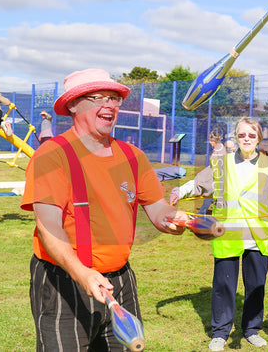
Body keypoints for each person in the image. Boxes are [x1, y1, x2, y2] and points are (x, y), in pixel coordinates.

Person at [21, 68, 188, 351]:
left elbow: (157, 208)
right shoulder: (52, 155)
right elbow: (49, 226)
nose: (109, 104)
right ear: (73, 105)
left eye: (114, 98)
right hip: (65, 280)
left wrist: (173, 218)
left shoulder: (132, 156)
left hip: (120, 281)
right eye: (97, 97)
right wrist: (82, 273)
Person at [171, 117, 268, 351]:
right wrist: (180, 190)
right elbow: (199, 183)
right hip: (226, 234)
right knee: (223, 286)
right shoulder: (221, 162)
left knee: (256, 286)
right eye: (242, 134)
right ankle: (220, 332)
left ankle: (251, 329)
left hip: (257, 235)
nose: (246, 139)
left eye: (251, 135)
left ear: (258, 138)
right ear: (236, 137)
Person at [198, 130, 227, 214]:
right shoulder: (218, 148)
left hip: (218, 177)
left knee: (212, 194)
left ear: (212, 141)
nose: (209, 143)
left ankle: (202, 213)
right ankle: (202, 213)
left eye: (210, 141)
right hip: (215, 177)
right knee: (210, 195)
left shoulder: (220, 149)